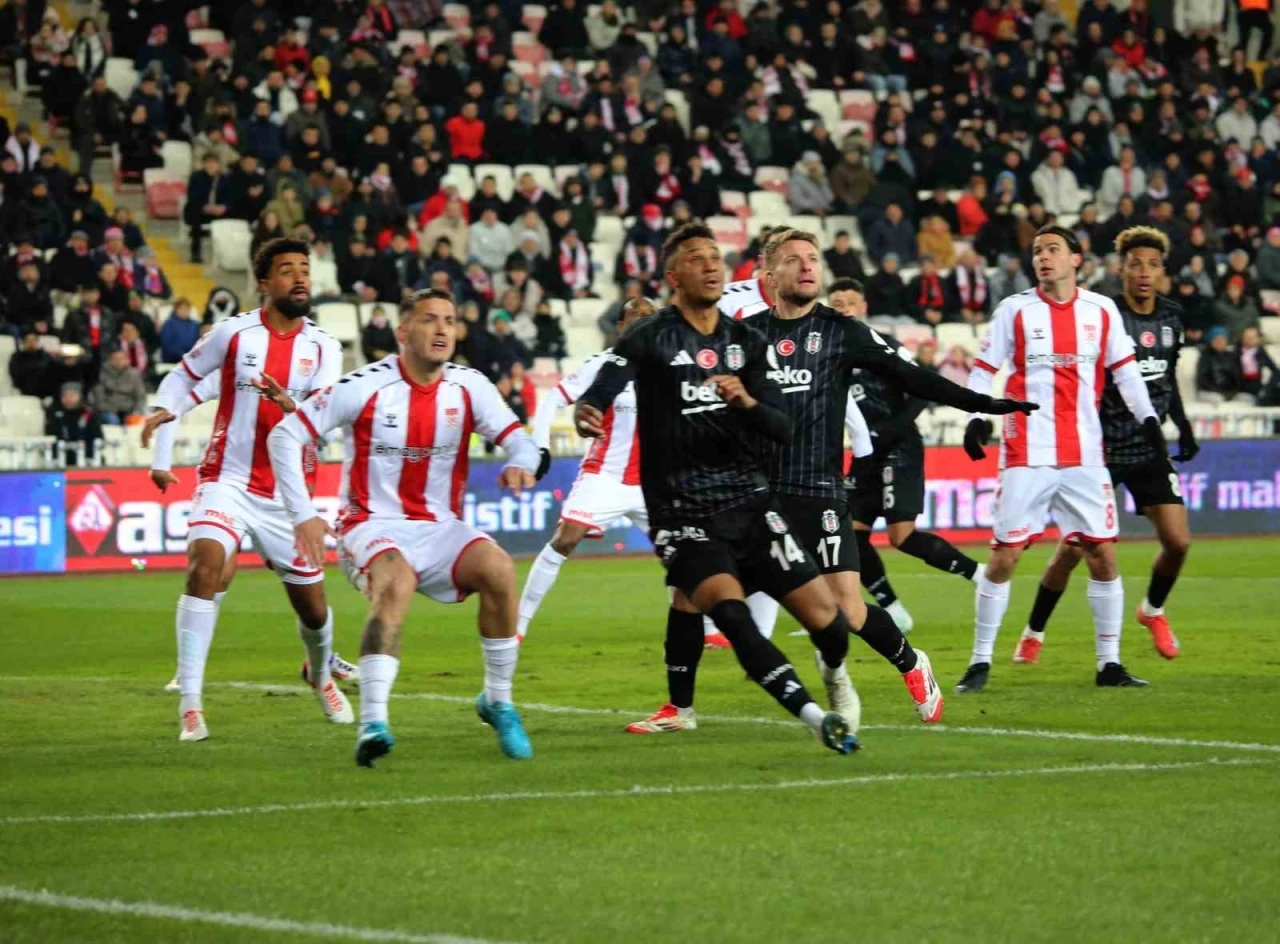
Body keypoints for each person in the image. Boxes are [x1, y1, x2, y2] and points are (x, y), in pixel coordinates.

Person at [571, 222, 859, 754]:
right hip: (683, 514)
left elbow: (784, 426)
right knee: (730, 615)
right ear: (673, 275)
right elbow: (607, 380)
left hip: (750, 504)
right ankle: (816, 718)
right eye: (696, 258)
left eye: (715, 257)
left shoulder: (745, 340)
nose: (710, 265)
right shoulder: (650, 335)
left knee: (830, 624)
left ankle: (835, 671)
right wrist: (589, 407)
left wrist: (746, 402)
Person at [266, 288, 540, 767]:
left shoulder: (469, 387)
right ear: (402, 331)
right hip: (369, 524)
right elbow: (285, 434)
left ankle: (498, 701)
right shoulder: (365, 385)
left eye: (449, 321)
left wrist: (522, 463)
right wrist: (303, 514)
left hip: (440, 527)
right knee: (397, 581)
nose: (441, 329)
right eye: (429, 319)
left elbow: (524, 443)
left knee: (498, 569)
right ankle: (374, 722)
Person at [141, 238, 353, 742]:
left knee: (315, 611)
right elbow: (181, 379)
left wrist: (290, 408)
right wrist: (162, 412)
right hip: (227, 480)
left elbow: (324, 422)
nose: (300, 278)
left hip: (289, 496)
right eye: (287, 270)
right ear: (264, 283)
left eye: (305, 269)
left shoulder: (326, 348)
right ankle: (191, 705)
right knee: (205, 566)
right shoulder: (234, 334)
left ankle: (320, 675)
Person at [956, 225, 1166, 694]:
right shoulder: (1014, 310)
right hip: (1026, 452)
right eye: (1036, 251)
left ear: (1077, 259)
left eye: (1053, 249)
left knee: (1103, 554)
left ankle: (1109, 663)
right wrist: (976, 416)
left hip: (1085, 455)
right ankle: (979, 660)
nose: (1043, 257)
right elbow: (984, 368)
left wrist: (1149, 420)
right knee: (1006, 556)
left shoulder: (1102, 311)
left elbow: (1127, 375)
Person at [1013, 227, 1199, 667]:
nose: (1144, 273)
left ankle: (1152, 610)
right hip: (1100, 447)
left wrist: (1183, 426)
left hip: (1147, 444)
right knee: (1073, 549)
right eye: (1135, 264)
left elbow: (1166, 379)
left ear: (1163, 272)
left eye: (1153, 265)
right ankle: (1033, 632)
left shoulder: (1172, 318)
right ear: (1121, 270)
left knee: (1178, 541)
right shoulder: (1101, 313)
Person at [829, 278, 985, 634]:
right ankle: (893, 611)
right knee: (850, 535)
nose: (842, 308)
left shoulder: (883, 345)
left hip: (898, 447)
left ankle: (980, 576)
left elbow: (920, 387)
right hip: (865, 453)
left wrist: (893, 429)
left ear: (863, 307)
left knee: (901, 536)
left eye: (849, 302)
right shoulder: (828, 354)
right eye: (835, 302)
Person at [517, 297, 657, 642]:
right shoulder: (602, 364)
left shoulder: (670, 371)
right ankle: (516, 625)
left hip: (653, 482)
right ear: (621, 327)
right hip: (605, 475)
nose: (642, 322)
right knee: (566, 538)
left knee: (686, 553)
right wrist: (541, 445)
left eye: (649, 318)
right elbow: (553, 398)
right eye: (634, 317)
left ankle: (711, 632)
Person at [45, 381, 102, 466]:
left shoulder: (89, 414)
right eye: (64, 396)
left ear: (80, 396)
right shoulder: (56, 415)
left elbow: (98, 438)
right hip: (61, 461)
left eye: (71, 395)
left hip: (86, 461)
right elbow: (51, 437)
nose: (68, 398)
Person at [92, 347, 146, 424]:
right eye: (115, 359)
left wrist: (136, 412)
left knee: (137, 420)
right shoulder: (102, 374)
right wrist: (113, 410)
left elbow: (140, 396)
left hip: (129, 410)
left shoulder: (134, 374)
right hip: (108, 410)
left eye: (121, 358)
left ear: (127, 360)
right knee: (112, 419)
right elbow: (98, 398)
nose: (118, 361)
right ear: (110, 361)